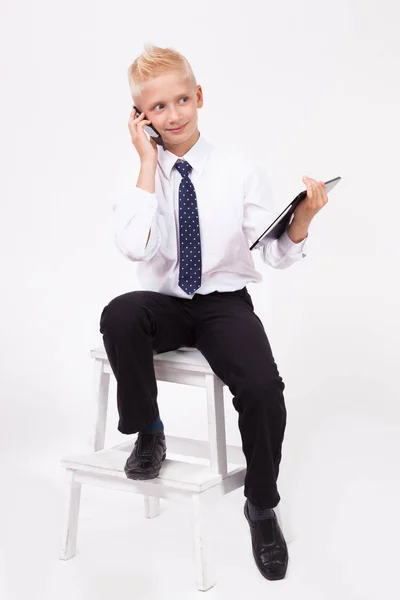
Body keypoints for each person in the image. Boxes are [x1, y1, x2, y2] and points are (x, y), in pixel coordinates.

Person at [99, 43, 328, 581]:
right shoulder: (143, 176)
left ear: (199, 96)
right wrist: (146, 163)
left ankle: (262, 504)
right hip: (168, 305)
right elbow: (134, 247)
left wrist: (303, 219)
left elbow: (272, 252)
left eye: (181, 100)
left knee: (263, 389)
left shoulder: (238, 170)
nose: (173, 115)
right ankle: (148, 430)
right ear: (140, 118)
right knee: (120, 314)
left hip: (224, 304)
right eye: (157, 108)